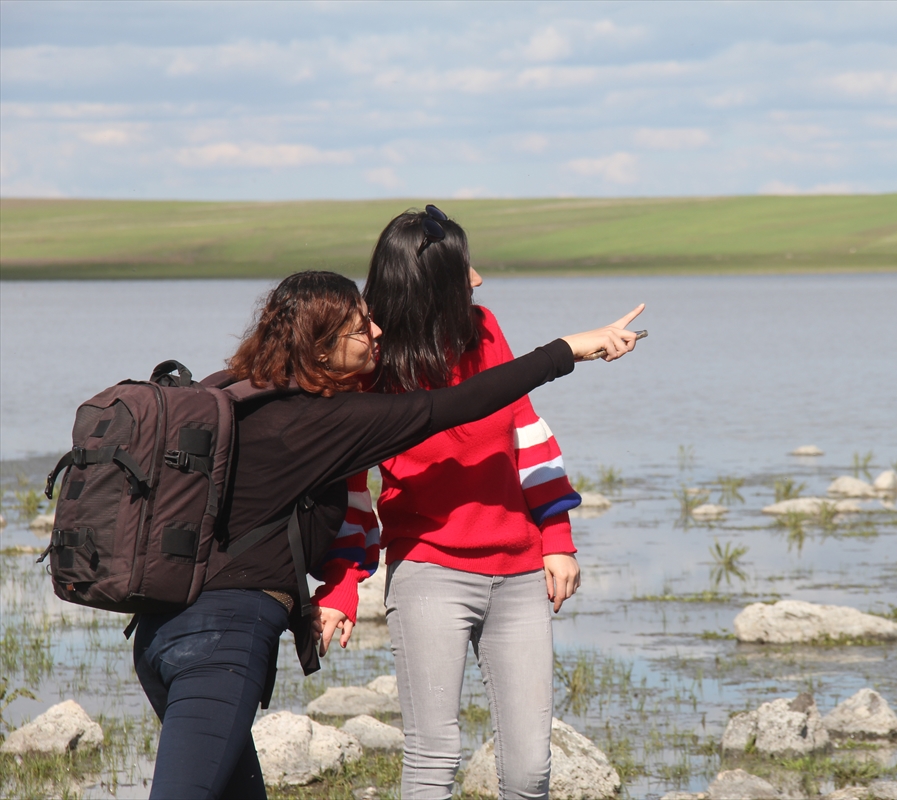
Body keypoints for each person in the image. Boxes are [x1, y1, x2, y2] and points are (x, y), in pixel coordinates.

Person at [130, 269, 643, 800]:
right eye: (361, 327)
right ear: (321, 350)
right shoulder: (333, 419)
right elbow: (459, 404)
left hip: (162, 627)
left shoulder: (231, 392)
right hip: (224, 639)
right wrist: (568, 349)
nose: (375, 331)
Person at [315, 206, 588, 799]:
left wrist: (558, 537)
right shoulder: (371, 365)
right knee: (433, 759)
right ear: (427, 284)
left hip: (520, 575)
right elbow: (352, 488)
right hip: (429, 573)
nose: (479, 279)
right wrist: (341, 584)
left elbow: (526, 429)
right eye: (464, 269)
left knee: (530, 769)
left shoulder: (485, 328)